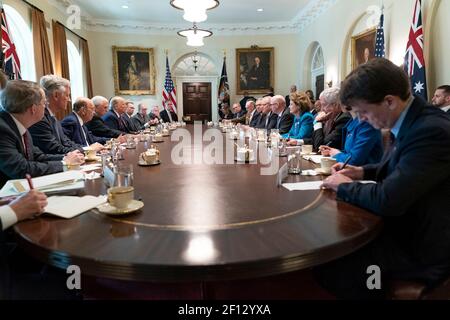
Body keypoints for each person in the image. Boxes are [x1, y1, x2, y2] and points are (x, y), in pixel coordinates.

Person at [318, 58, 450, 299]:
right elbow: (403, 167)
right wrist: (363, 172)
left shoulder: (429, 131)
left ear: (389, 101)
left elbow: (389, 199)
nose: (360, 119)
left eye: (363, 111)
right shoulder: (414, 119)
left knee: (334, 265)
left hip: (420, 247)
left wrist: (345, 186)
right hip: (408, 228)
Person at [0, 80, 83, 187]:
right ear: (33, 109)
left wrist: (68, 157)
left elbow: (39, 156)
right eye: (44, 103)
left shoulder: (20, 126)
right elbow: (21, 168)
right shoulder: (3, 130)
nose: (46, 107)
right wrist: (64, 163)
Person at [29, 75, 100, 154]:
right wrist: (87, 150)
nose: (69, 99)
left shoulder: (53, 117)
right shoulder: (40, 118)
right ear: (56, 95)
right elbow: (53, 148)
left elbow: (66, 142)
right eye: (67, 95)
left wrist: (87, 148)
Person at [319, 92, 384, 166]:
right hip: (353, 172)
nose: (338, 103)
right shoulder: (352, 121)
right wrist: (332, 151)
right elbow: (350, 152)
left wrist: (336, 154)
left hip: (366, 175)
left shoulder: (366, 123)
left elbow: (353, 161)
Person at [305, 87, 352, 151]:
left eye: (324, 105)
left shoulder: (344, 119)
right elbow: (315, 140)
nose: (321, 109)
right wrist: (298, 141)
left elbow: (320, 146)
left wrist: (318, 122)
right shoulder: (328, 117)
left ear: (335, 105)